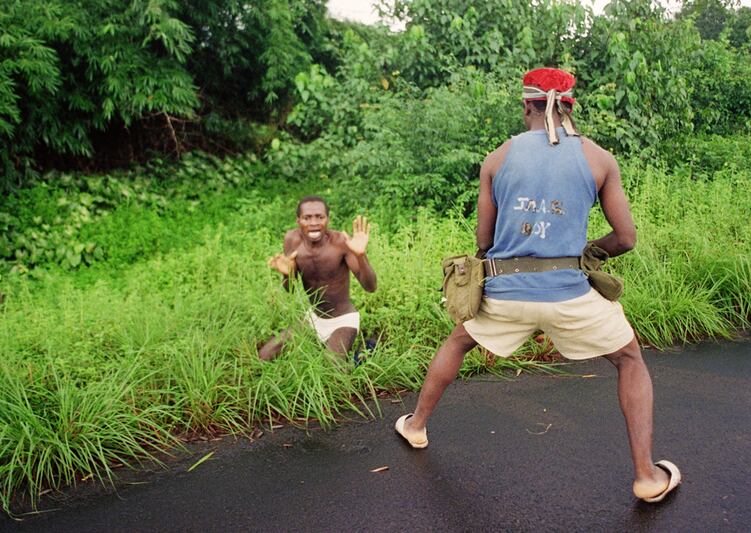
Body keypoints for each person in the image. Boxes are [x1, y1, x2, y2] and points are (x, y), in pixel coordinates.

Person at [395, 68, 681, 503]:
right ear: (569, 107)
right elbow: (625, 238)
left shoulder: (497, 157)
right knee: (628, 359)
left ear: (527, 105)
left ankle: (415, 426)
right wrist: (588, 252)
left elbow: (484, 241)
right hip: (570, 294)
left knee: (457, 342)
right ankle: (645, 475)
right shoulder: (599, 158)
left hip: (506, 291)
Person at [258, 196, 377, 361]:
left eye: (319, 217)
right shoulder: (292, 240)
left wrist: (361, 256)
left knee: (331, 369)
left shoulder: (340, 243)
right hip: (313, 319)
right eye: (307, 218)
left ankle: (361, 353)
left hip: (343, 321)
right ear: (298, 220)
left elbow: (370, 287)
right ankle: (326, 343)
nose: (314, 222)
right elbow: (290, 289)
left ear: (327, 219)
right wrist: (287, 274)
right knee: (265, 355)